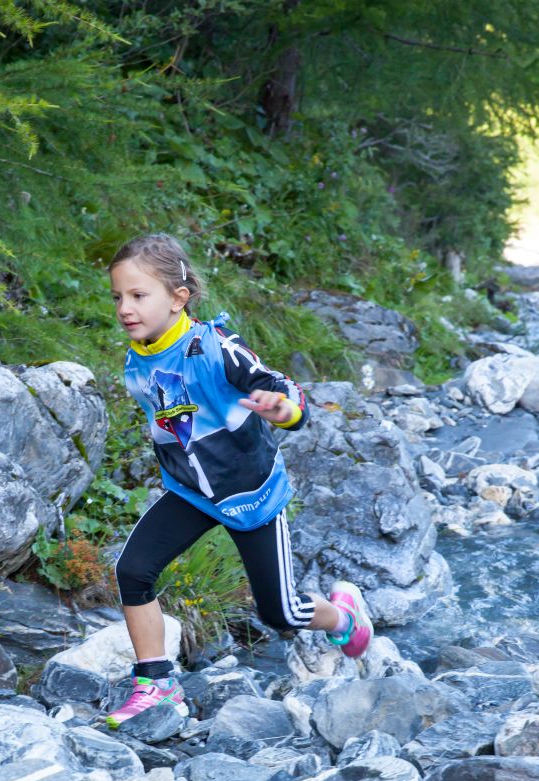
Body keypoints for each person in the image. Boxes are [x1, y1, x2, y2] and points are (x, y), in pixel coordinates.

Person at [105, 233, 372, 728]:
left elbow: (280, 387)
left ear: (178, 298)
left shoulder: (215, 347)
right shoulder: (137, 357)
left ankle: (345, 615)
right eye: (118, 296)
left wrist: (282, 409)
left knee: (280, 614)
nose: (125, 308)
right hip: (191, 492)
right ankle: (157, 685)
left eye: (139, 295)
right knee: (133, 570)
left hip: (251, 494)